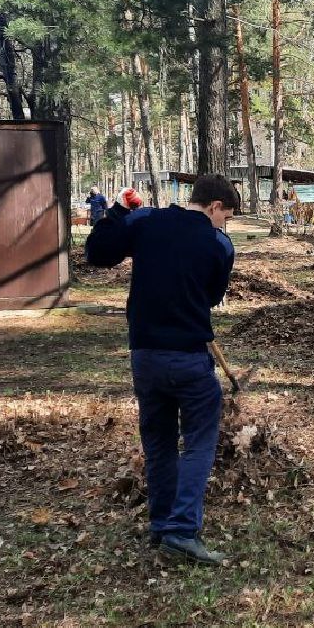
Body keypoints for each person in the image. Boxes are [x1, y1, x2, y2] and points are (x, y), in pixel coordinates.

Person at [85, 173, 239, 566]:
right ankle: (182, 529)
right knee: (200, 443)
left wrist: (118, 210)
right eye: (228, 216)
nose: (226, 224)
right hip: (189, 356)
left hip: (146, 355)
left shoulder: (144, 221)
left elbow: (99, 252)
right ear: (215, 205)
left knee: (159, 443)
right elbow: (213, 295)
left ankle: (161, 523)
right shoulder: (219, 243)